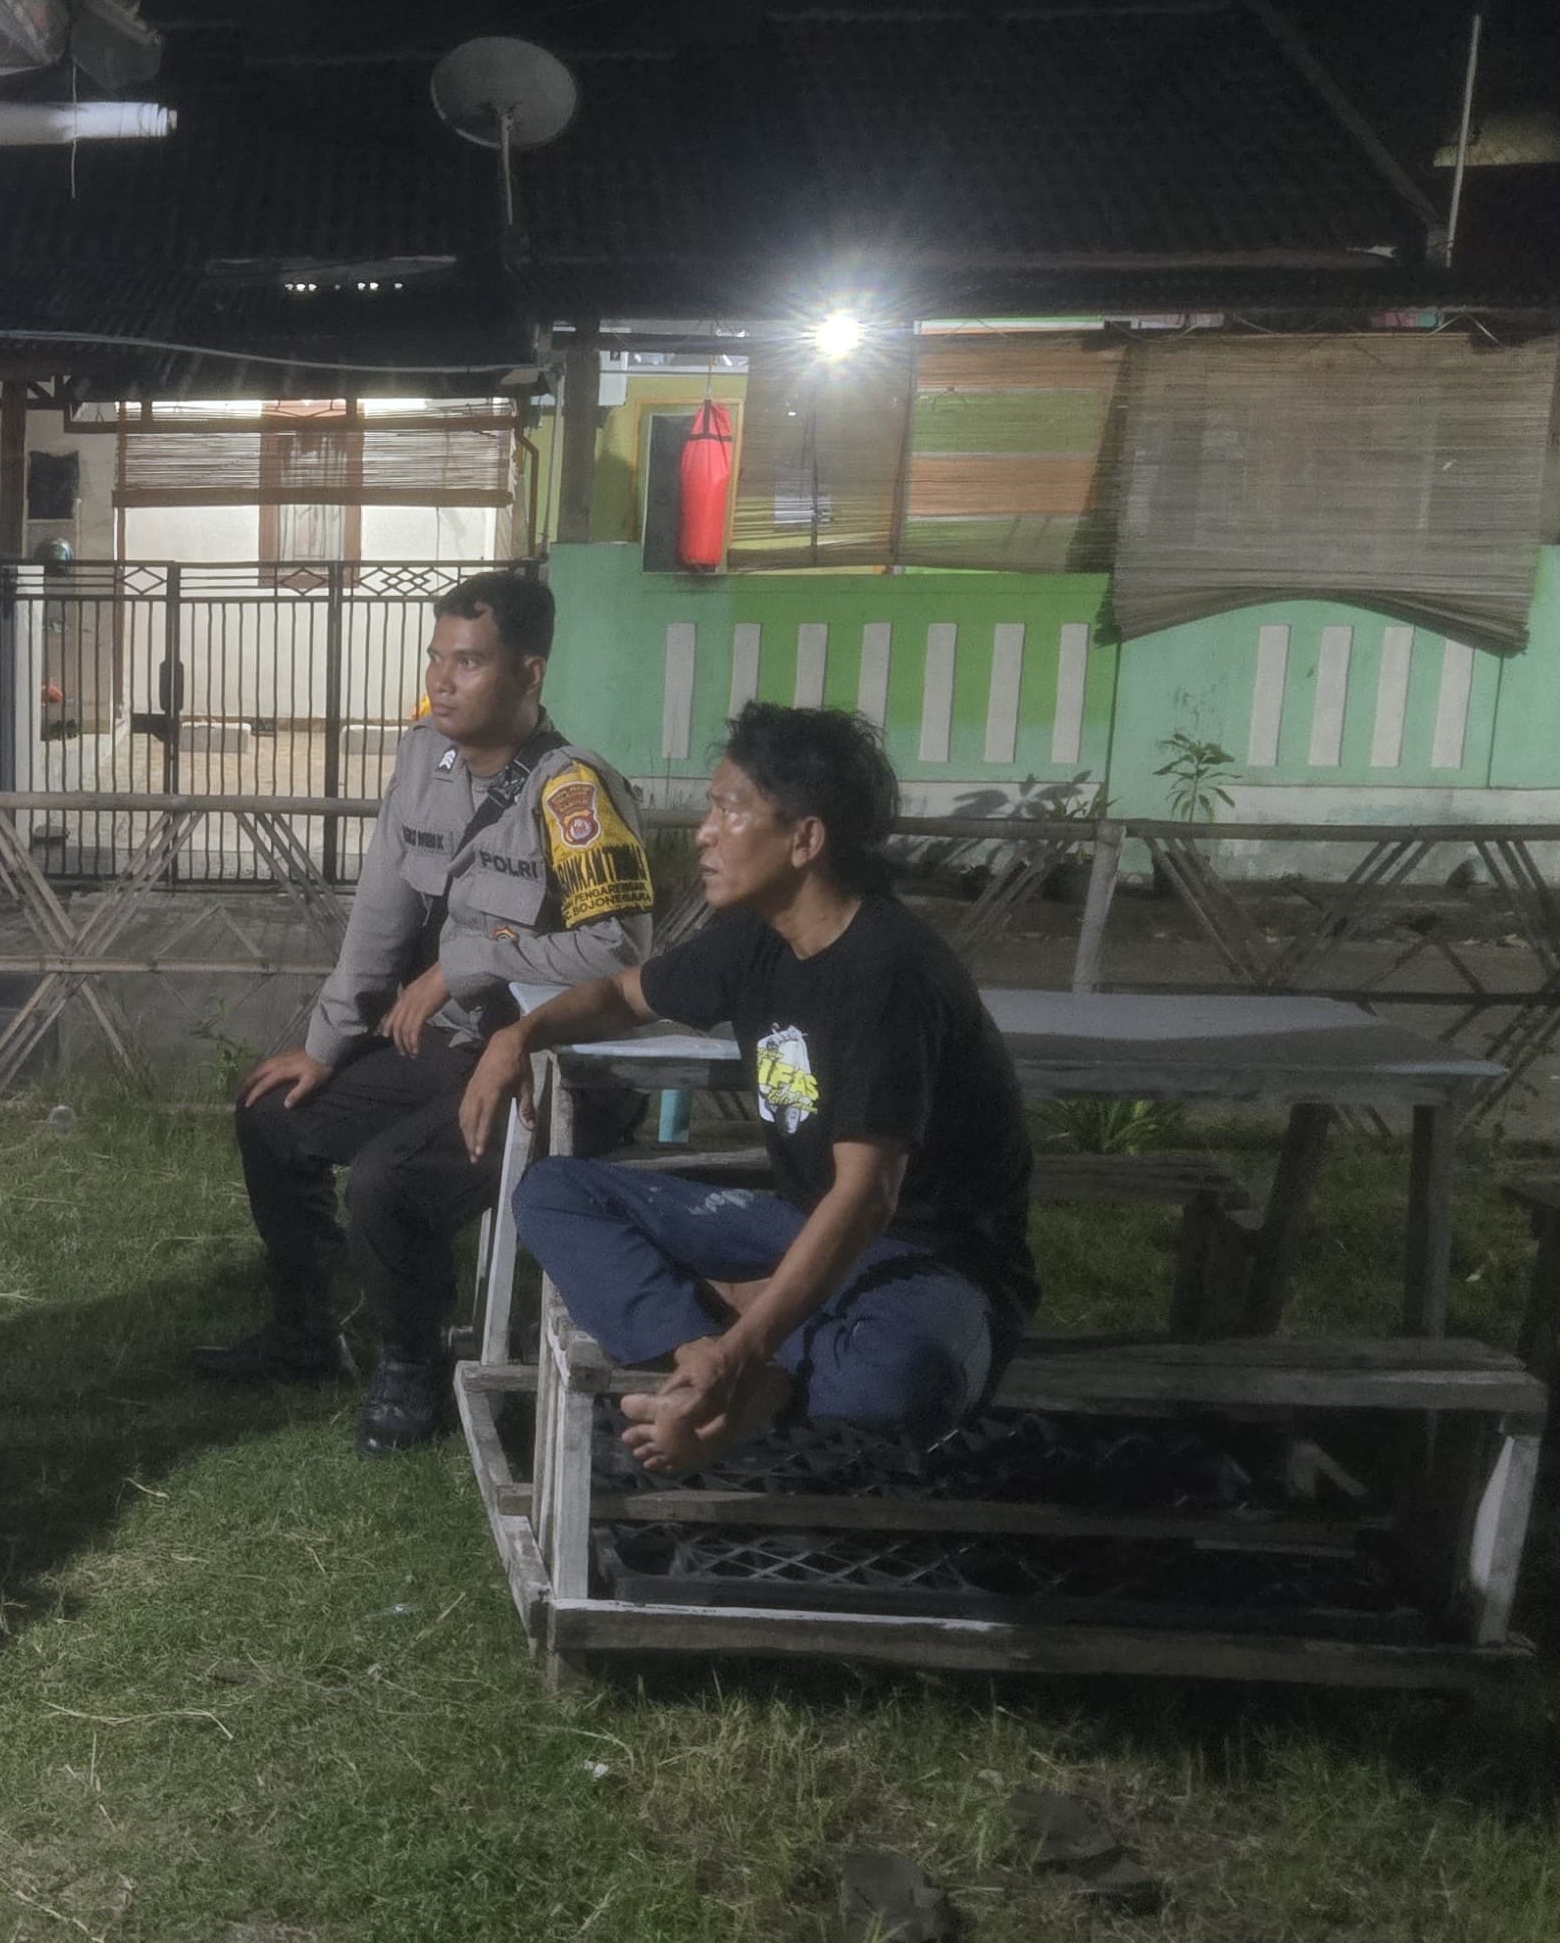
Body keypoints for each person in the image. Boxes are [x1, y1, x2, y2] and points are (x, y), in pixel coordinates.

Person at [461, 704, 1036, 1477]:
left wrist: (746, 1344)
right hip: (800, 1229)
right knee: (554, 1193)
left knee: (901, 1378)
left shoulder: (887, 975)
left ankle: (744, 1362)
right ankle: (712, 1365)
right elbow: (624, 994)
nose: (704, 832)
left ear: (805, 839)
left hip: (931, 1262)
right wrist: (518, 1036)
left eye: (729, 809)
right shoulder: (756, 938)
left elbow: (866, 1198)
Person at [191, 569, 655, 1456]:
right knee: (274, 1114)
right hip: (448, 1051)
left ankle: (410, 1364)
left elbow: (620, 954)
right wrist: (324, 1046)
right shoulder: (421, 761)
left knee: (385, 1180)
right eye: (436, 658)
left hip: (550, 1075)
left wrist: (469, 961)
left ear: (529, 673)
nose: (442, 681)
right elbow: (379, 918)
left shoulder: (574, 793)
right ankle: (306, 1332)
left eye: (468, 662)